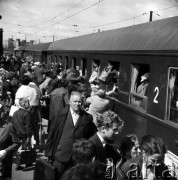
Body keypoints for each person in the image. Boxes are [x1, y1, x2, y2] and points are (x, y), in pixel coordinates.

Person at [45, 91, 97, 178]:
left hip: (77, 159)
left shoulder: (87, 117)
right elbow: (51, 134)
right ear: (70, 102)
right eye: (75, 101)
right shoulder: (60, 115)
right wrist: (49, 153)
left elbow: (92, 135)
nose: (77, 104)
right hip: (60, 156)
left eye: (79, 101)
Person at [89, 110, 124, 179]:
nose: (117, 133)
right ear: (103, 129)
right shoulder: (90, 146)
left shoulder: (110, 146)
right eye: (114, 129)